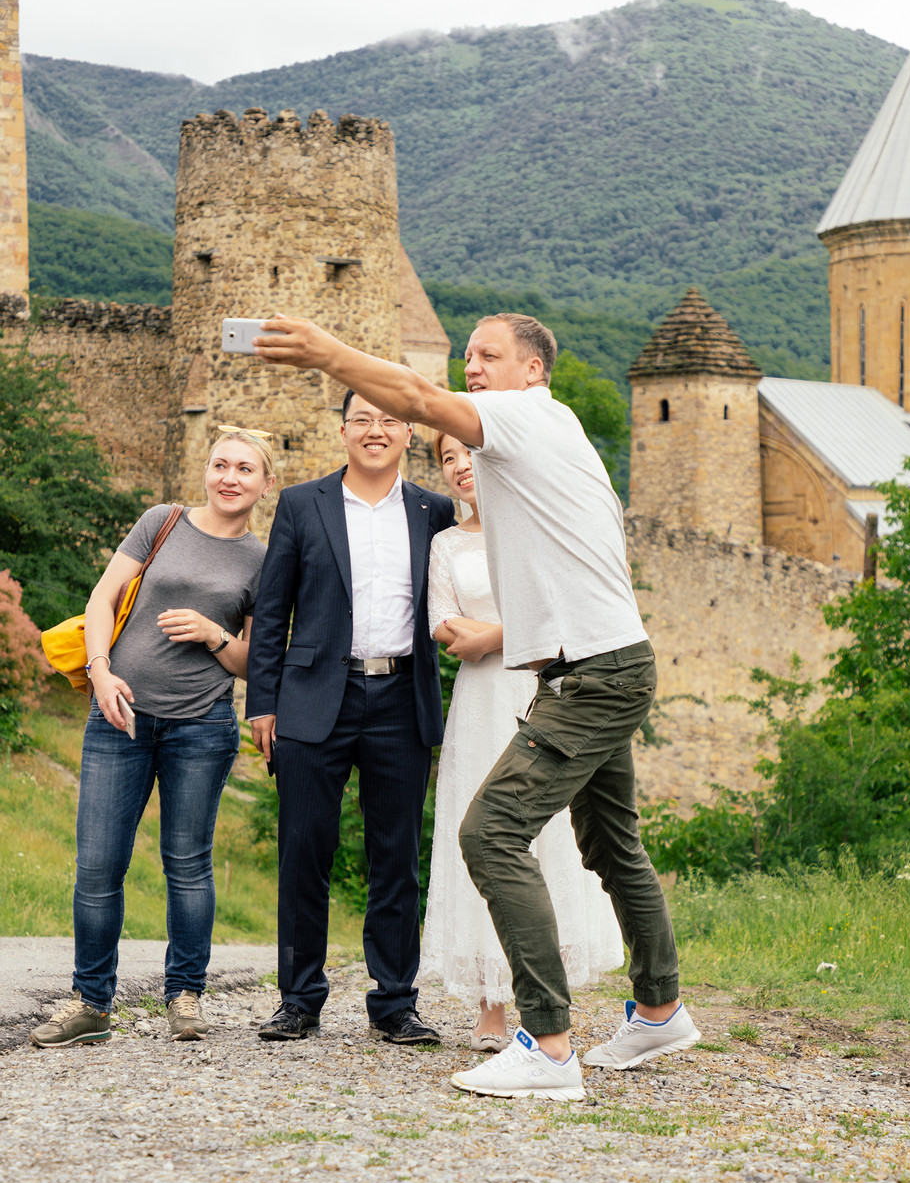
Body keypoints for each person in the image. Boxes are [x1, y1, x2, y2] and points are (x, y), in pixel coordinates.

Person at [251, 312, 698, 1099]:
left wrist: (327, 354)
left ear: (534, 371)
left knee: (489, 835)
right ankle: (659, 1010)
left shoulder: (525, 416)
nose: (473, 366)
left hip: (591, 673)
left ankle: (550, 1047)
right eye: (468, 355)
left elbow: (420, 398)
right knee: (610, 844)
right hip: (598, 663)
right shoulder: (544, 437)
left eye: (490, 355)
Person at [29, 428, 274, 1048]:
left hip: (203, 726)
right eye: (220, 463)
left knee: (188, 866)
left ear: (266, 484)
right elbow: (104, 597)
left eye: (245, 469)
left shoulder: (264, 560)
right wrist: (100, 671)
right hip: (120, 716)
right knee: (98, 865)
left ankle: (185, 997)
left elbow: (257, 662)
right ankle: (91, 1003)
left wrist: (213, 635)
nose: (229, 477)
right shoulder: (161, 521)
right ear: (206, 468)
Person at [247, 392, 456, 1045]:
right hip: (313, 698)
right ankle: (300, 999)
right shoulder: (302, 505)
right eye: (363, 419)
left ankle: (395, 1002)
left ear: (410, 434)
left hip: (400, 698)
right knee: (305, 848)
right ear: (342, 431)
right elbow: (272, 612)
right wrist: (263, 702)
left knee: (397, 856)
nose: (376, 430)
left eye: (390, 420)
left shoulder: (435, 511)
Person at [420, 432, 624, 1050]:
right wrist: (496, 635)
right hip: (480, 703)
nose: (459, 467)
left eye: (467, 454)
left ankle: (548, 995)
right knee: (478, 832)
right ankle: (490, 1004)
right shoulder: (444, 545)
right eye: (448, 459)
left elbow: (565, 617)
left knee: (549, 836)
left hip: (541, 694)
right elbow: (442, 623)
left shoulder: (535, 528)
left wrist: (494, 637)